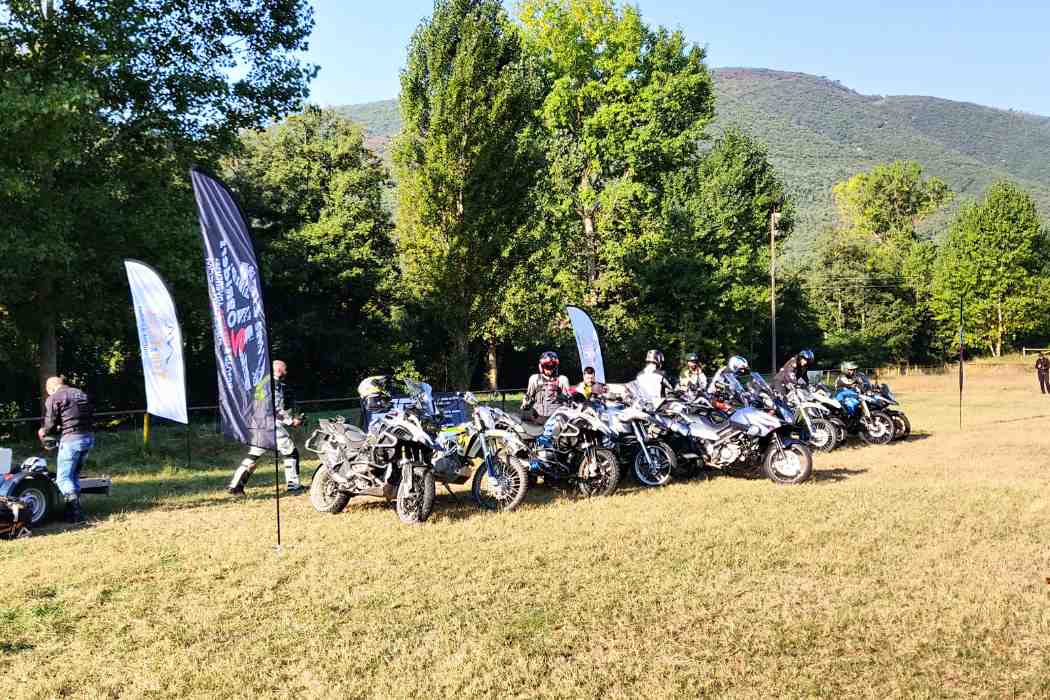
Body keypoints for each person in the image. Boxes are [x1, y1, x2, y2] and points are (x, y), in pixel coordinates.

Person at [228, 360, 304, 495]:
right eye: (285, 369)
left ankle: (235, 486)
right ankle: (293, 485)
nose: (286, 372)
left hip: (257, 423)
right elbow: (272, 408)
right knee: (290, 451)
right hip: (268, 425)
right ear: (279, 370)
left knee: (254, 455)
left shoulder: (263, 382)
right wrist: (291, 421)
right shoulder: (273, 385)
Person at [38, 376, 95, 523]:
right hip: (88, 437)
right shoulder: (80, 393)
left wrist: (43, 432)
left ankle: (76, 512)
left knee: (63, 478)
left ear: (51, 388)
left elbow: (50, 424)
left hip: (72, 440)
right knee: (73, 475)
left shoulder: (54, 397)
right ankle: (72, 511)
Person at [522, 351, 570, 423]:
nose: (550, 369)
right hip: (538, 417)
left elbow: (568, 400)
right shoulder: (535, 379)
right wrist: (525, 403)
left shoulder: (562, 379)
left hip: (556, 418)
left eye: (552, 366)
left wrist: (560, 394)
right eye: (547, 366)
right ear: (541, 366)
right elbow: (529, 396)